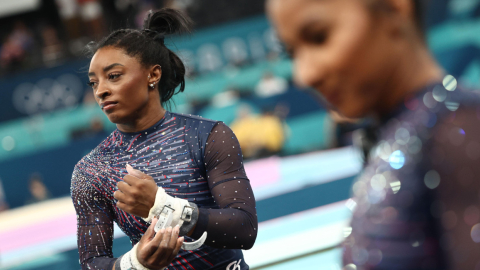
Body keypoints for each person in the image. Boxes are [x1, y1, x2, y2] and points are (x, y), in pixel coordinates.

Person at [267, 0, 480, 269]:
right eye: (291, 53)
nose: (304, 75)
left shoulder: (458, 127)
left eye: (319, 37)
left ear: (394, 8)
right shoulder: (400, 135)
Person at [71, 8, 257, 270]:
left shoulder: (207, 136)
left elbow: (244, 228)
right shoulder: (92, 171)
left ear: (153, 75)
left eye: (113, 76)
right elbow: (92, 263)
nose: (101, 91)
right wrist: (135, 263)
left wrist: (162, 205)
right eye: (93, 83)